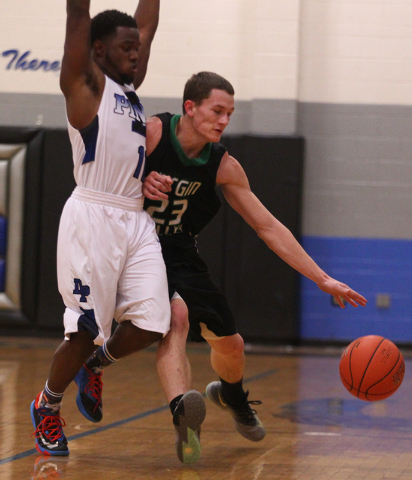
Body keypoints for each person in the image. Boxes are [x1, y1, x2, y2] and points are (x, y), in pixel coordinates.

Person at [75, 72, 367, 463]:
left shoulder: (223, 164)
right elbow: (99, 177)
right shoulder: (153, 134)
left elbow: (267, 227)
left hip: (180, 251)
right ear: (190, 108)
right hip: (132, 247)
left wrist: (323, 278)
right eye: (217, 110)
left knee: (231, 344)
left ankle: (230, 393)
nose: (224, 120)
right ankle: (184, 414)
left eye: (229, 113)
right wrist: (139, 180)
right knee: (175, 318)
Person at [30, 0, 184, 458]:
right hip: (92, 215)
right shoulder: (83, 84)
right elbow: (77, 13)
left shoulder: (129, 89)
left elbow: (149, 23)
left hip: (135, 218)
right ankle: (48, 406)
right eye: (127, 47)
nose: (137, 53)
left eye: (138, 47)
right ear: (98, 49)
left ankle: (94, 365)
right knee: (82, 329)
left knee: (154, 324)